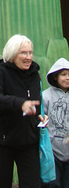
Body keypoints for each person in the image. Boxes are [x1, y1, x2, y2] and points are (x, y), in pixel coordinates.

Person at [0, 34, 45, 188]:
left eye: (30, 52)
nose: (28, 57)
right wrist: (20, 103)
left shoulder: (35, 74)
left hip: (28, 140)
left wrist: (39, 116)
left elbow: (35, 102)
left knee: (33, 184)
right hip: (1, 140)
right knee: (0, 183)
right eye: (23, 53)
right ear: (12, 54)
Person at [42, 58, 69, 188]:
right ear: (55, 77)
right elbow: (40, 118)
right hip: (52, 150)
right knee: (53, 183)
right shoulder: (46, 96)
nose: (67, 78)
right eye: (64, 74)